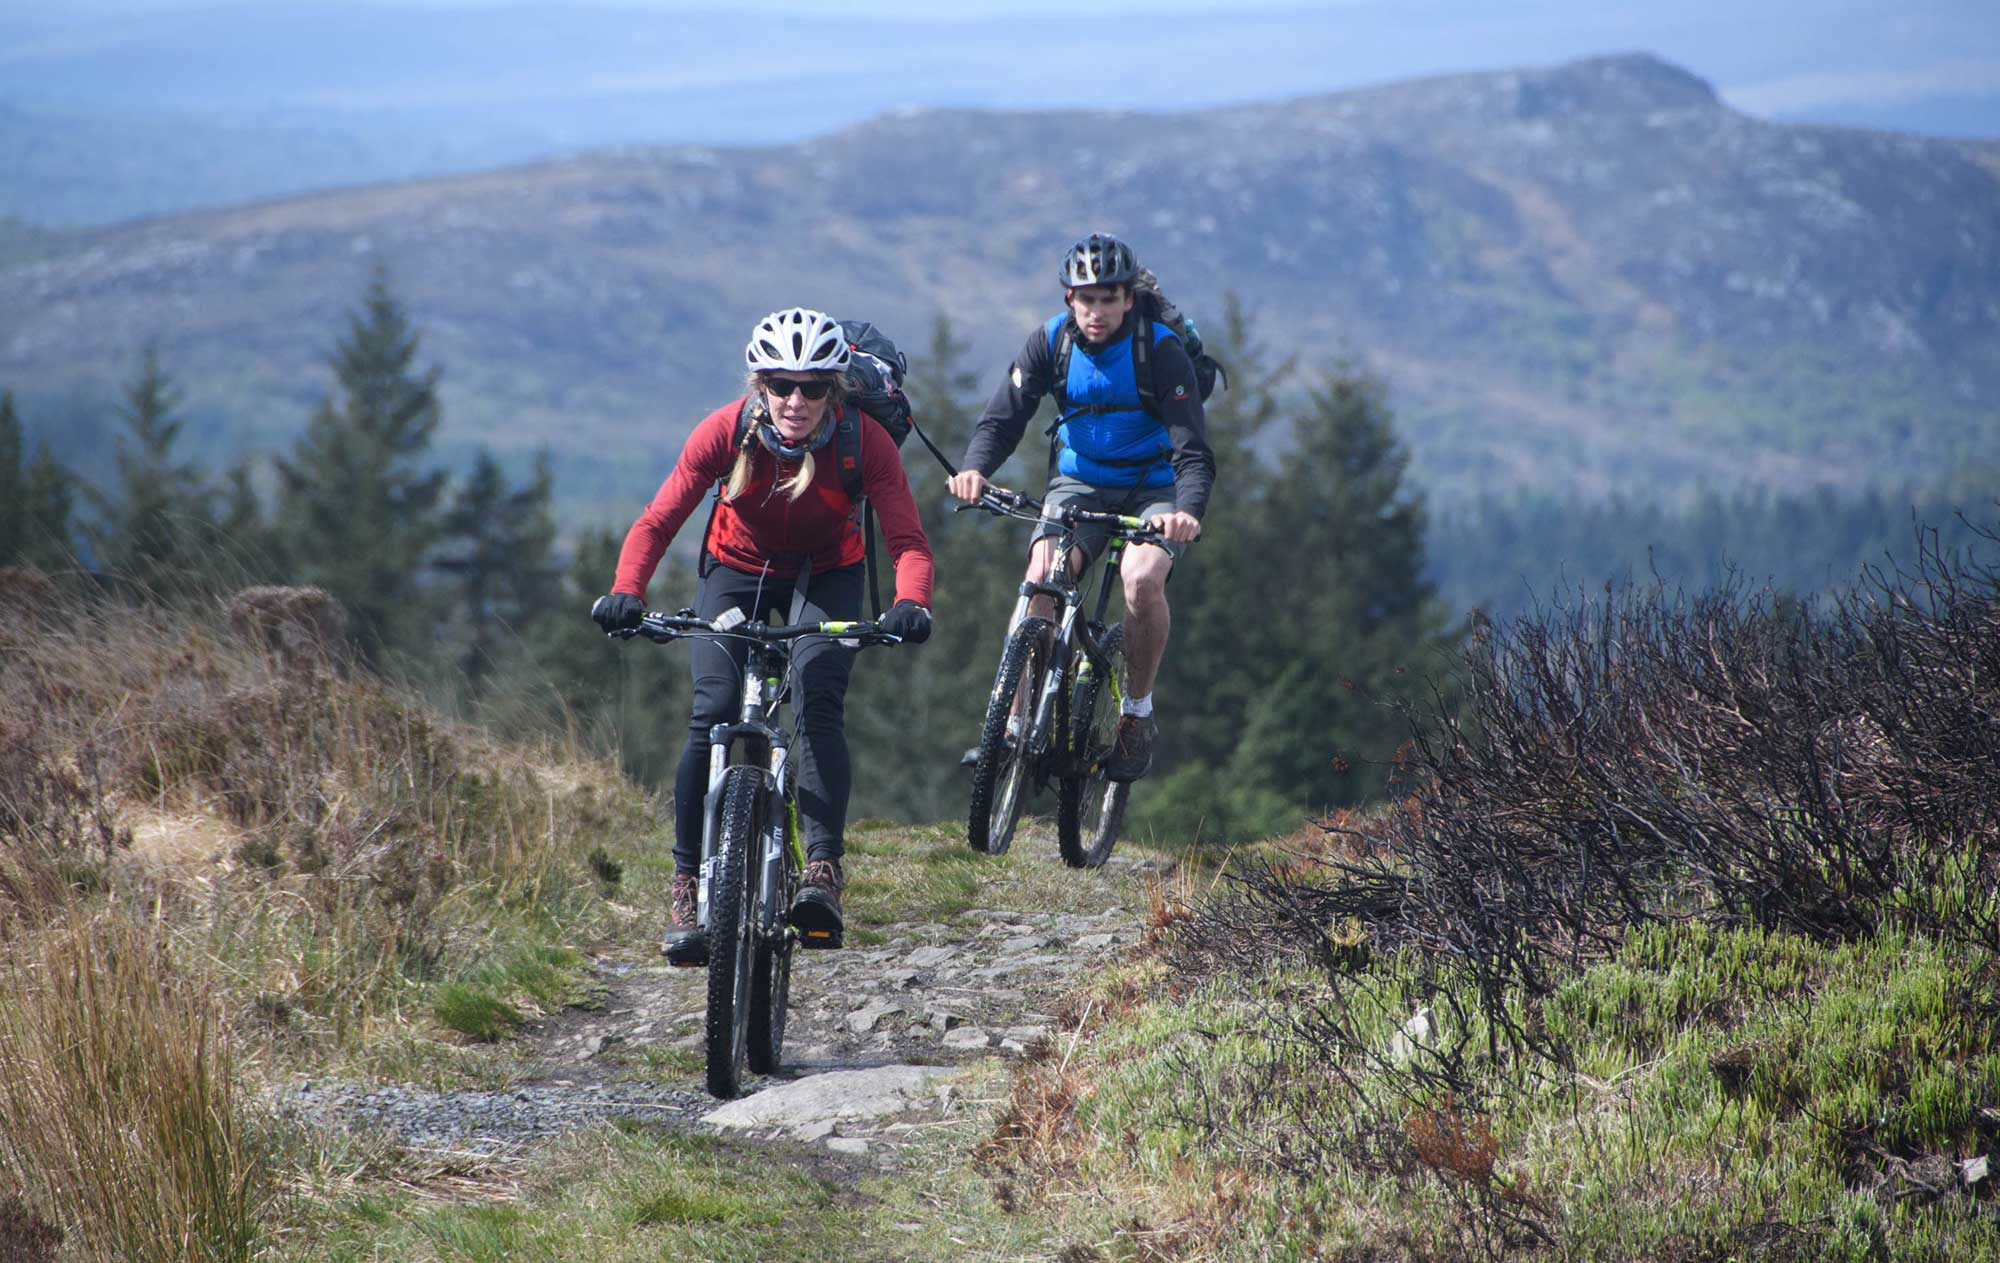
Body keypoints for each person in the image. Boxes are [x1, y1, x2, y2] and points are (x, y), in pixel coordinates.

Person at [593, 307, 934, 962]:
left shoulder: (866, 442)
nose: (795, 400)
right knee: (712, 711)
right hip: (736, 572)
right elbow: (658, 520)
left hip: (828, 575)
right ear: (761, 386)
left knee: (817, 700)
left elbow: (908, 542)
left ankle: (823, 874)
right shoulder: (726, 430)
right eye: (781, 385)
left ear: (834, 387)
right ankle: (686, 884)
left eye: (810, 386)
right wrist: (627, 591)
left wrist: (910, 601)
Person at [948, 233, 1215, 783]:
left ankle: (1136, 716)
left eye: (1108, 298)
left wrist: (1185, 511)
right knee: (1041, 583)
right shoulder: (1049, 342)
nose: (1096, 311)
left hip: (1154, 490)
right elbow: (1003, 419)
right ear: (1070, 298)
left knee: (1141, 582)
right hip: (1078, 483)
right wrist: (975, 469)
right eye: (1085, 298)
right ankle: (1013, 727)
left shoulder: (1159, 351)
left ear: (1128, 299)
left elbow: (1193, 450)